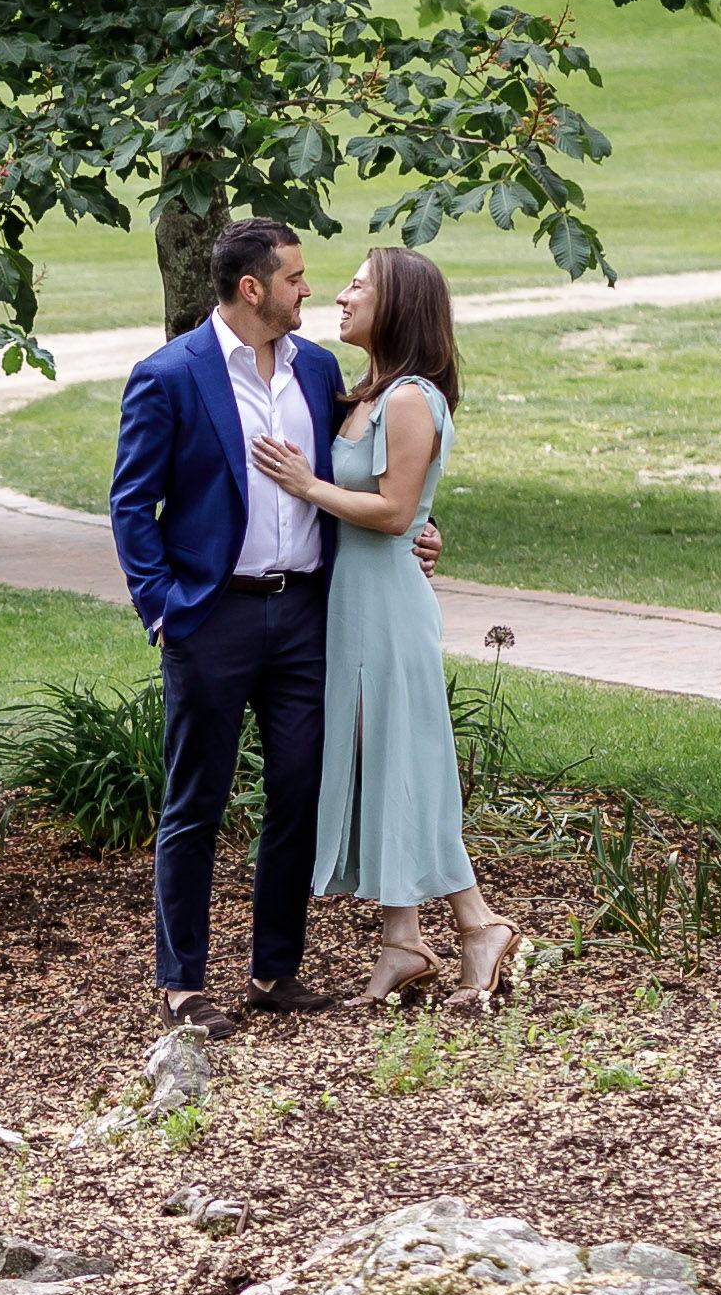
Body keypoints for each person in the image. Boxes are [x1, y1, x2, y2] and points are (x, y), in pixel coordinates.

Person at [97, 217, 348, 1026]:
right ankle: (183, 983)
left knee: (299, 792)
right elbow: (133, 503)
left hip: (305, 614)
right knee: (196, 801)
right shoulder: (171, 375)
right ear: (253, 288)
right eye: (295, 277)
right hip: (213, 618)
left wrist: (413, 529)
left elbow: (351, 476)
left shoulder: (319, 370)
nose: (308, 287)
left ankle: (275, 974)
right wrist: (165, 609)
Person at [299, 245, 524, 1012]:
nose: (341, 295)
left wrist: (308, 485)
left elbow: (395, 511)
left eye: (357, 286)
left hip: (387, 608)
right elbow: (406, 508)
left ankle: (478, 922)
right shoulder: (367, 393)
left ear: (395, 303)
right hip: (354, 601)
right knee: (378, 762)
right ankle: (402, 940)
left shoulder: (408, 399)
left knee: (406, 761)